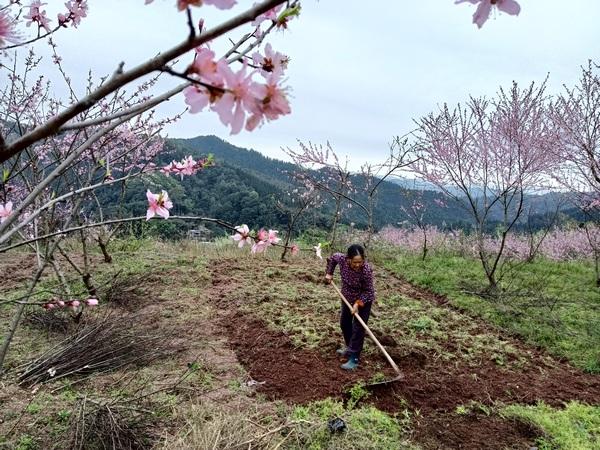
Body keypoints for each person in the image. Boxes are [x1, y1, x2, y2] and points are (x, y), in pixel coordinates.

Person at [325, 244, 375, 370]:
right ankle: (349, 348)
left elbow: (369, 292)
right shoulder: (341, 259)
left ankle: (354, 357)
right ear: (348, 259)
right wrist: (329, 273)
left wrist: (358, 303)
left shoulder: (366, 270)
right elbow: (333, 258)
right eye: (355, 262)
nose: (358, 265)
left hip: (363, 300)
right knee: (345, 324)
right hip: (346, 297)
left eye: (360, 261)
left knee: (359, 328)